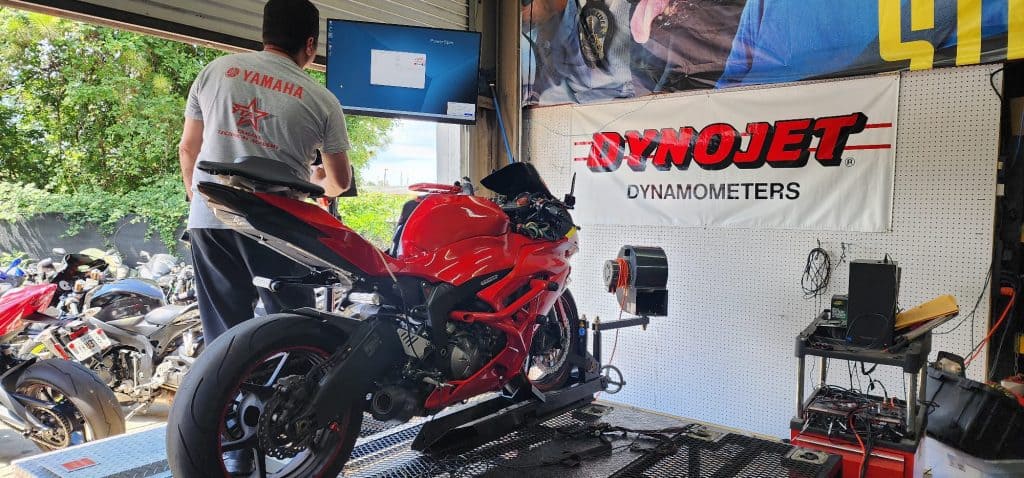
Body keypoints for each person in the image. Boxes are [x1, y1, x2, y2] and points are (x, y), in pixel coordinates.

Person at [178, 0, 352, 348]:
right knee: (291, 336)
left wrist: (198, 197)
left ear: (265, 34)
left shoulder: (216, 71)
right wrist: (319, 184)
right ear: (310, 45)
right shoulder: (322, 99)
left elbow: (188, 148)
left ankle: (225, 400)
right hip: (280, 228)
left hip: (212, 220)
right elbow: (340, 182)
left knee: (226, 342)